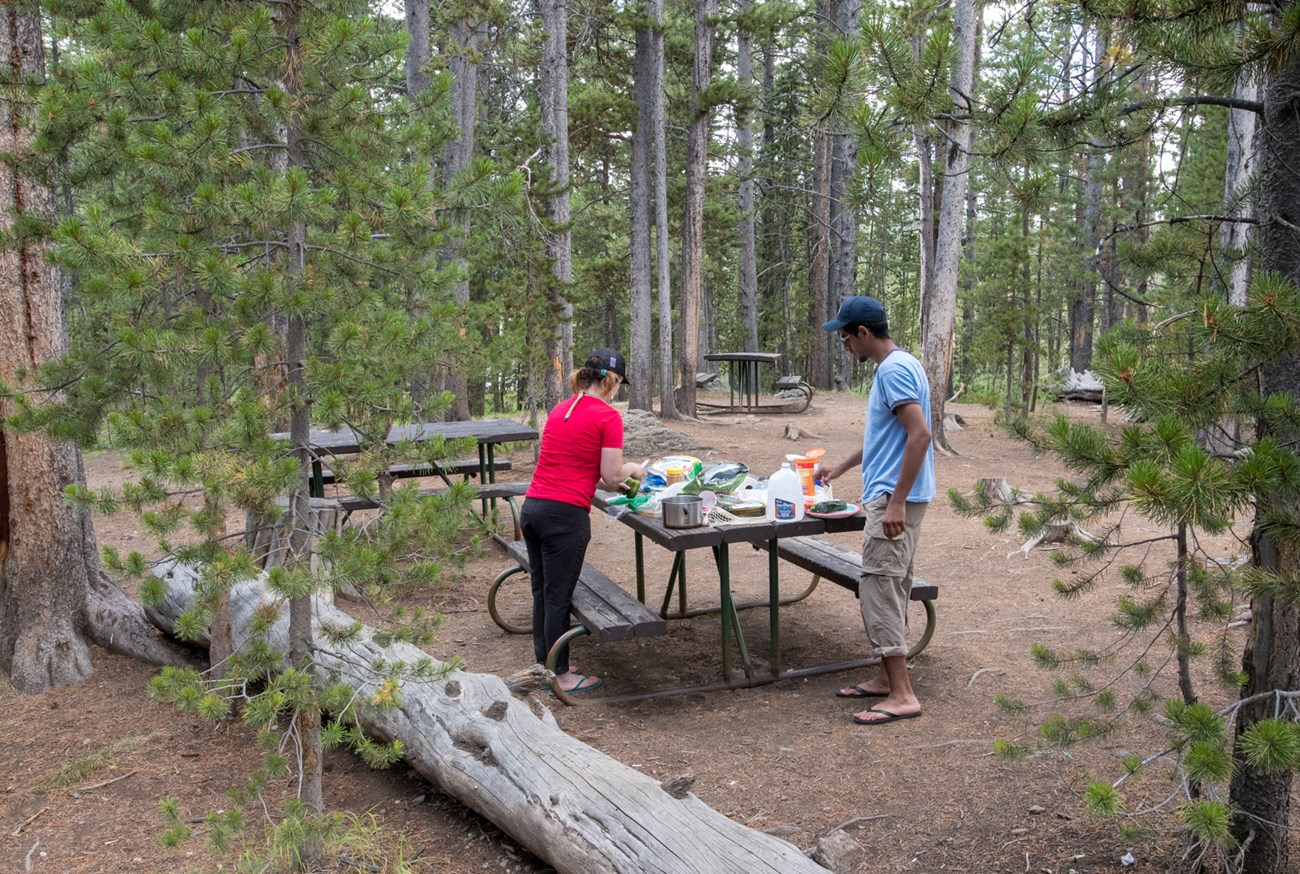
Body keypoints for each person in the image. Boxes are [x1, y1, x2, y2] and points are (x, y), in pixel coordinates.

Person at [820, 296, 936, 725]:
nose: (845, 345)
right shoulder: (902, 365)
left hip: (894, 499)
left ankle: (903, 694)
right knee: (893, 585)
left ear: (864, 333)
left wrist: (898, 501)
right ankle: (886, 680)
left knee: (878, 588)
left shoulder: (893, 370)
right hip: (894, 495)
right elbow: (887, 437)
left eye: (846, 337)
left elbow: (920, 435)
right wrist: (842, 466)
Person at [520, 348, 645, 695]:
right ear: (612, 381)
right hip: (564, 516)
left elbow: (576, 463)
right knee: (558, 595)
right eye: (620, 383)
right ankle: (559, 676)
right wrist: (633, 469)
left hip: (533, 508)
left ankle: (545, 664)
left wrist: (610, 475)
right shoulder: (608, 417)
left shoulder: (562, 409)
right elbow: (610, 475)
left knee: (543, 593)